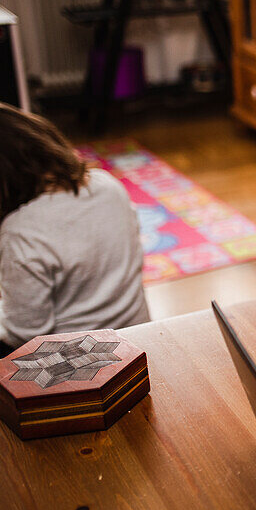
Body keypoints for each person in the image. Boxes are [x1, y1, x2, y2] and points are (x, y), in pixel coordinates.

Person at [0, 105, 149, 355]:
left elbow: (25, 334)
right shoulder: (108, 185)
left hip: (80, 364)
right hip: (136, 340)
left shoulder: (20, 231)